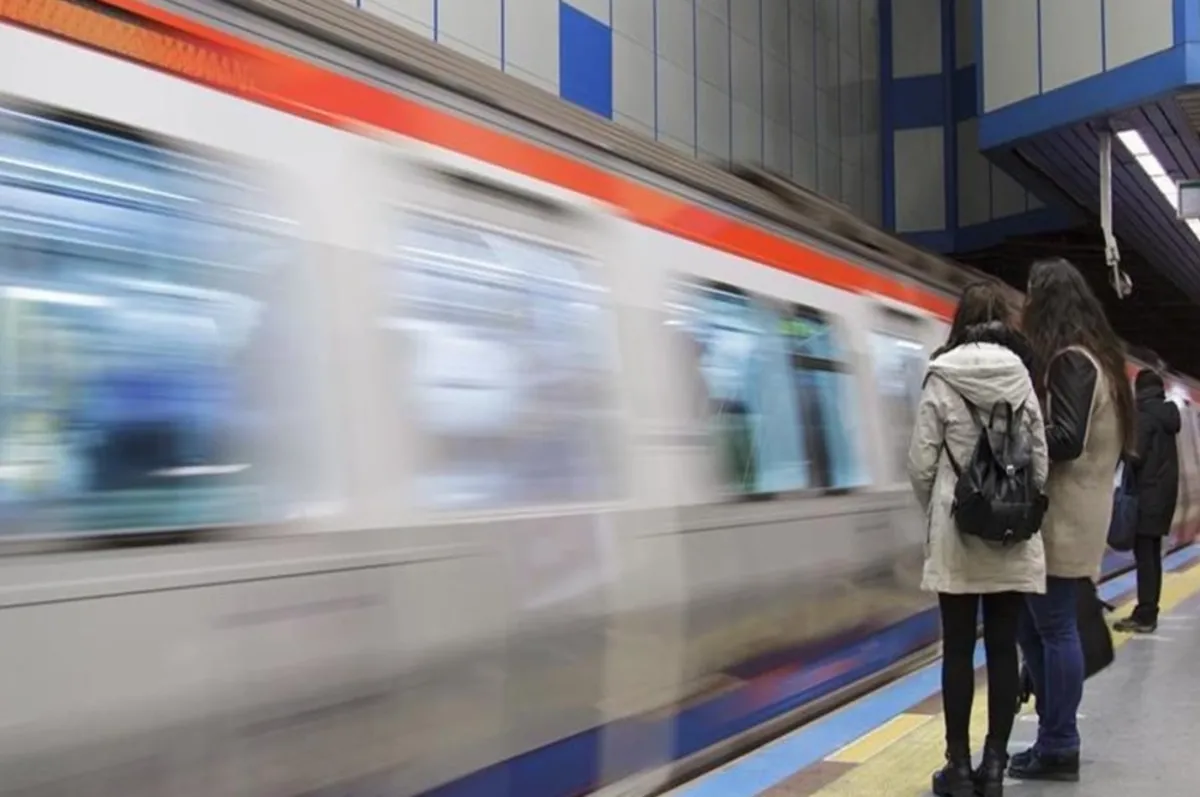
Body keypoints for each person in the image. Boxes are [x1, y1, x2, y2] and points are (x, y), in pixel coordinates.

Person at [908, 281, 1048, 797]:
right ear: (1005, 323)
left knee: (959, 650)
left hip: (957, 534)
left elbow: (921, 464)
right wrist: (1014, 507)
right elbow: (1041, 463)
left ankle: (959, 770)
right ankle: (994, 769)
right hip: (1011, 535)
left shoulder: (941, 377)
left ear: (960, 319)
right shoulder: (1023, 379)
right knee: (1004, 647)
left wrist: (946, 509)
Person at [1011, 258, 1136, 782]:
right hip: (1076, 513)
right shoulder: (1098, 359)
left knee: (1054, 627)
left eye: (1032, 296)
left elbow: (1065, 438)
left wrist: (1016, 442)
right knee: (1034, 626)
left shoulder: (1071, 361)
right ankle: (1052, 736)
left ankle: (1060, 742)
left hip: (1063, 517)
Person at [1114, 368, 1181, 633]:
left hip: (1146, 497)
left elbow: (1135, 455)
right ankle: (1149, 611)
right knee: (1152, 556)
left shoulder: (1145, 416)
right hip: (1163, 498)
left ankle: (1145, 615)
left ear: (1138, 389)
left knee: (1145, 558)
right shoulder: (1167, 415)